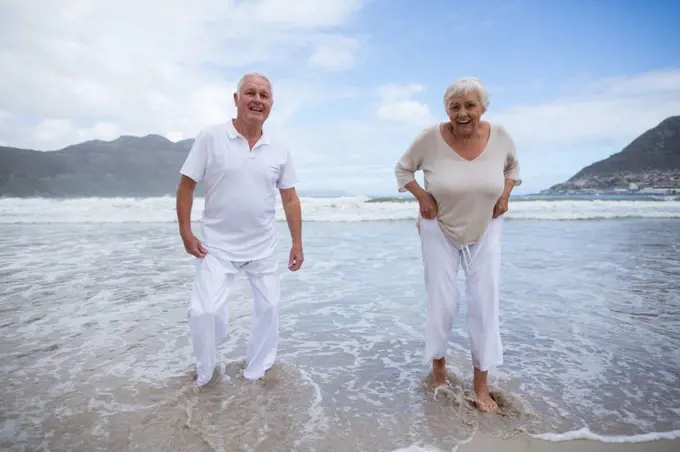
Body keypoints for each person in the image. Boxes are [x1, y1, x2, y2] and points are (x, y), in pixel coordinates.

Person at [394, 76, 521, 412]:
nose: (462, 113)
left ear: (482, 108)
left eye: (470, 106)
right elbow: (403, 169)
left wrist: (506, 194)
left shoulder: (501, 136)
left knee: (484, 303)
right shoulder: (429, 138)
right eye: (455, 107)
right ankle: (438, 370)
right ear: (446, 109)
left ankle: (482, 385)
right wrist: (422, 196)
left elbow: (513, 166)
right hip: (438, 226)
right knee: (443, 302)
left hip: (487, 225)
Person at [176, 72, 303, 387]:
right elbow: (185, 186)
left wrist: (297, 243)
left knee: (269, 308)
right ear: (236, 100)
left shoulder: (279, 147)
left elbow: (290, 198)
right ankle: (206, 373)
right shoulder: (211, 137)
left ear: (270, 105)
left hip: (262, 246)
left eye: (264, 95)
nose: (257, 100)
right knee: (204, 313)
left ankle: (255, 370)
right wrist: (186, 233)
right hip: (216, 246)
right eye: (250, 93)